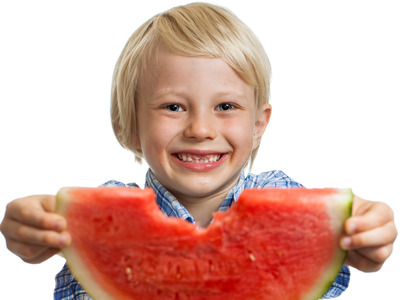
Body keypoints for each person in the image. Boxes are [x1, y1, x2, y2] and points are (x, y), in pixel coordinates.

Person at [0, 2, 397, 299]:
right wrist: (36, 229)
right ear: (129, 123)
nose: (201, 129)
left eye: (226, 107)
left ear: (259, 124)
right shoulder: (106, 211)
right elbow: (48, 224)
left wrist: (365, 229)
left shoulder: (279, 192)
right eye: (173, 107)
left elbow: (349, 215)